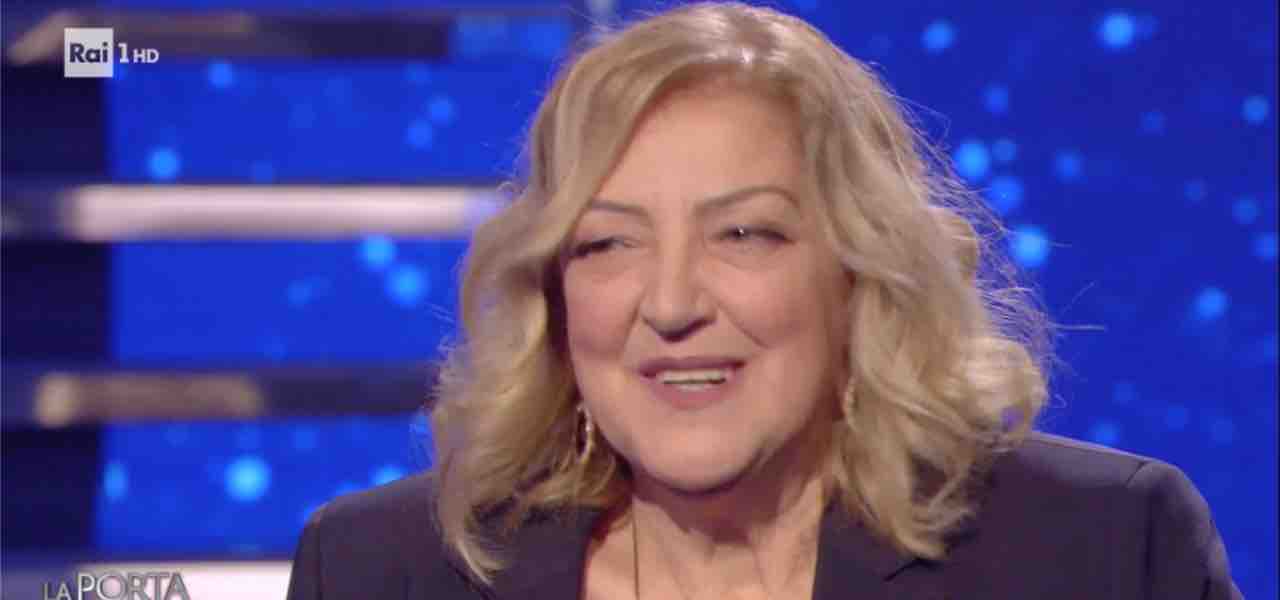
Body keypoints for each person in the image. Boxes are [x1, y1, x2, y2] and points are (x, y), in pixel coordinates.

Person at [286, 3, 1242, 598]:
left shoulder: (1099, 553)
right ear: (556, 295)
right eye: (609, 242)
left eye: (744, 234)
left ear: (860, 273)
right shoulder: (382, 571)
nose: (669, 304)